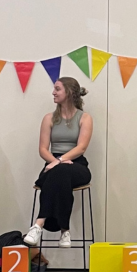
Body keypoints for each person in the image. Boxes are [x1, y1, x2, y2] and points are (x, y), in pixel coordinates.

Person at [23, 77, 93, 248]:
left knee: (59, 171)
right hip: (53, 163)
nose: (53, 93)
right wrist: (55, 161)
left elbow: (81, 148)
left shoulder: (84, 118)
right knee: (59, 173)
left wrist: (61, 160)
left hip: (77, 165)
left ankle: (38, 224)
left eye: (57, 89)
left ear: (68, 93)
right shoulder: (49, 118)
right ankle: (65, 231)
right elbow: (43, 149)